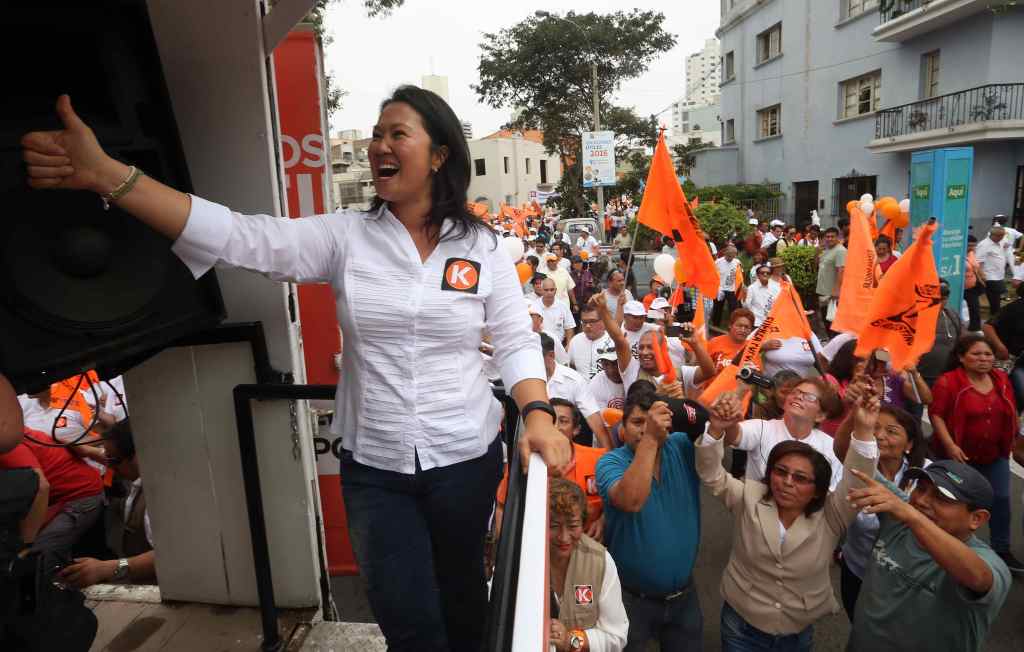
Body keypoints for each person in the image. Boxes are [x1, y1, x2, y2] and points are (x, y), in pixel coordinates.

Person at [22, 88, 571, 651]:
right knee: (407, 621)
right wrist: (108, 174)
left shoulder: (481, 246)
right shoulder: (345, 237)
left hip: (465, 460)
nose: (380, 145)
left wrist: (536, 412)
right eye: (377, 134)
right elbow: (238, 236)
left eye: (398, 134)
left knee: (463, 602)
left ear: (439, 155)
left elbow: (513, 339)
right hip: (376, 472)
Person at [701, 382, 880, 651]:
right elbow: (712, 473)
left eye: (800, 478)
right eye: (780, 472)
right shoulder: (749, 495)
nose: (787, 482)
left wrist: (864, 428)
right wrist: (717, 426)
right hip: (741, 625)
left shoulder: (830, 514)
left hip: (797, 631)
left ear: (818, 489)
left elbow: (857, 484)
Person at [845, 460, 1011, 651]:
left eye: (941, 497)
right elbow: (853, 458)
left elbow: (979, 577)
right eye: (920, 488)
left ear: (976, 518)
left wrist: (911, 515)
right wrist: (862, 429)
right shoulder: (904, 512)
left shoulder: (990, 562)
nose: (921, 500)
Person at [596, 389, 703, 651]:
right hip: (631, 600)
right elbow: (630, 500)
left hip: (684, 598)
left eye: (652, 422)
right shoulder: (610, 463)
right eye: (637, 422)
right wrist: (652, 439)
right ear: (622, 427)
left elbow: (709, 427)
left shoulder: (680, 446)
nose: (645, 429)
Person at [927, 334, 1024, 573]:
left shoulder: (1001, 379)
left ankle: (1001, 549)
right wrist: (950, 444)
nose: (983, 359)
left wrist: (1013, 439)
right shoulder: (948, 382)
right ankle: (943, 548)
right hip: (959, 457)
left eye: (988, 354)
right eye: (976, 354)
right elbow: (936, 414)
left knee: (1001, 499)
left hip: (995, 455)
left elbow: (1011, 411)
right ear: (961, 357)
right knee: (954, 503)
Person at [829, 403, 928, 618]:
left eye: (891, 431)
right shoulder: (849, 469)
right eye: (874, 428)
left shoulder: (927, 476)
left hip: (904, 577)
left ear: (909, 444)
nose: (879, 436)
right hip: (857, 569)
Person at [59, 421, 158, 588]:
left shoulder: (156, 501)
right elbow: (110, 457)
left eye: (113, 460)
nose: (109, 465)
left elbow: (168, 556)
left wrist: (106, 568)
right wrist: (88, 451)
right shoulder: (140, 477)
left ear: (136, 456)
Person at [720, 377, 845, 491]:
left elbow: (831, 493)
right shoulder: (762, 428)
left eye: (810, 397)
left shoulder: (831, 447)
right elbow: (733, 436)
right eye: (796, 392)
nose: (799, 397)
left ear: (820, 415)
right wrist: (729, 415)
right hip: (757, 509)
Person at [547, 478, 628, 652]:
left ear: (584, 523)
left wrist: (571, 640)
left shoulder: (600, 561)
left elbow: (616, 636)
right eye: (554, 526)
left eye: (573, 526)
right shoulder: (525, 560)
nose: (564, 537)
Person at [0, 427, 105, 555]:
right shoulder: (13, 433)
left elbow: (41, 487)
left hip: (81, 495)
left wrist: (26, 544)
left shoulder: (8, 444)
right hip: (58, 495)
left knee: (36, 554)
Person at [593, 294, 714, 399]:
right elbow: (619, 339)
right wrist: (603, 309)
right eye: (641, 348)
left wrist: (696, 345)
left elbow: (709, 371)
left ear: (664, 349)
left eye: (650, 347)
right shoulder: (632, 370)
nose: (644, 352)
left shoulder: (680, 373)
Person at [542, 333, 613, 449]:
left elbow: (595, 421)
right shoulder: (524, 379)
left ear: (551, 355)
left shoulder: (573, 380)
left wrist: (609, 458)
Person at [918, 279, 963, 388]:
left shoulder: (952, 315)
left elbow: (963, 344)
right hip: (919, 378)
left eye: (943, 298)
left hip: (947, 377)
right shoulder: (913, 318)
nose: (938, 301)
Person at [569, 305, 614, 379]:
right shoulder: (575, 341)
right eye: (584, 322)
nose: (588, 326)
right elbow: (571, 365)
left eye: (592, 321)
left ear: (603, 321)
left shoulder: (613, 341)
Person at [816, 227, 846, 333]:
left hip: (832, 294)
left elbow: (841, 271)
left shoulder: (840, 251)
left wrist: (836, 290)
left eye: (832, 236)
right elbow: (817, 265)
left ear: (837, 237)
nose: (829, 239)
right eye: (827, 237)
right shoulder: (826, 249)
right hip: (823, 291)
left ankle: (837, 346)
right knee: (826, 320)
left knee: (832, 323)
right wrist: (817, 251)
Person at [976, 226, 1009, 318]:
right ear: (993, 235)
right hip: (989, 276)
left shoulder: (1001, 242)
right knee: (995, 299)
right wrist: (981, 276)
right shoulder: (984, 245)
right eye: (999, 236)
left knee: (997, 297)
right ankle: (995, 317)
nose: (1001, 238)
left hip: (999, 275)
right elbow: (978, 261)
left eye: (1002, 236)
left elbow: (1006, 246)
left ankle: (995, 315)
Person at [534, 278, 577, 348]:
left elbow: (569, 327)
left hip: (559, 346)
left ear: (555, 290)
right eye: (546, 290)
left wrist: (569, 344)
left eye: (552, 290)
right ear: (541, 290)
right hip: (540, 346)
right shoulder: (534, 306)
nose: (549, 292)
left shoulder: (563, 306)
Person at [712, 245, 742, 328]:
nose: (730, 258)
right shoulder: (718, 262)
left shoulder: (737, 262)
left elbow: (740, 276)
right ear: (725, 253)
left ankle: (733, 325)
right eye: (729, 256)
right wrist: (718, 288)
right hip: (720, 289)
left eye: (733, 256)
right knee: (718, 308)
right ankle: (715, 325)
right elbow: (714, 276)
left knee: (734, 309)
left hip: (732, 289)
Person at [589, 348, 626, 413]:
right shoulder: (595, 385)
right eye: (606, 364)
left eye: (615, 364)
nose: (611, 370)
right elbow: (602, 419)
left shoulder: (634, 375)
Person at [964, 235, 984, 331]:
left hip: (972, 287)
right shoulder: (957, 255)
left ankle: (975, 329)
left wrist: (982, 278)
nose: (971, 248)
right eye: (969, 245)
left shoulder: (971, 253)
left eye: (973, 246)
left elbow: (976, 267)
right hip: (961, 288)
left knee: (975, 308)